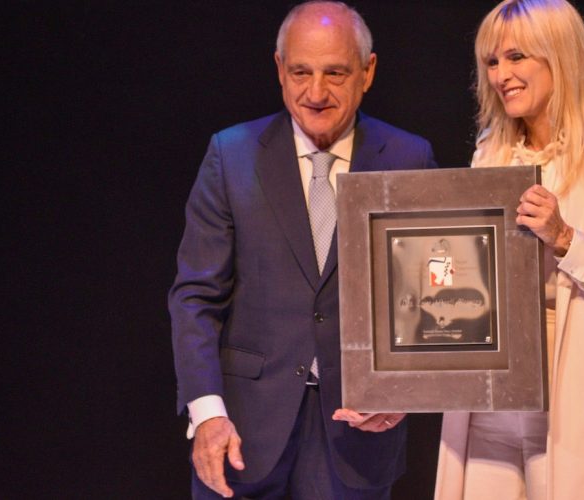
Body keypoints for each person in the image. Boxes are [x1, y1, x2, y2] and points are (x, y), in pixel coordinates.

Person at [169, 2, 437, 498]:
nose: (316, 93)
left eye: (335, 73)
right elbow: (195, 297)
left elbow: (430, 294)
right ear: (279, 69)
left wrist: (403, 390)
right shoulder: (232, 154)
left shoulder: (408, 158)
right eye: (300, 72)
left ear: (367, 72)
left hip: (357, 435)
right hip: (242, 429)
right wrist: (206, 412)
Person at [434, 0, 584, 498]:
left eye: (516, 57)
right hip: (492, 397)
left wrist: (568, 240)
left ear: (560, 55)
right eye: (492, 62)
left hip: (580, 401)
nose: (501, 75)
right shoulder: (490, 151)